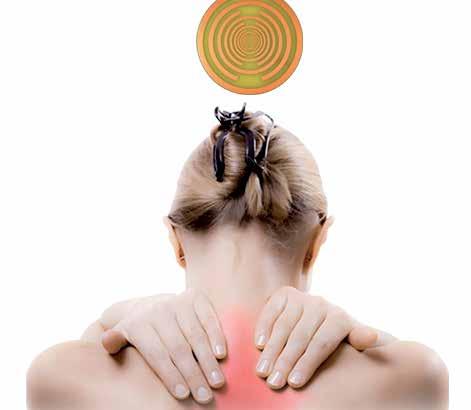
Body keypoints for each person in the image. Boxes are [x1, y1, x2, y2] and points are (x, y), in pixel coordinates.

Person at [27, 106, 448, 410]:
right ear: (317, 241)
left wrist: (118, 315)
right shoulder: (412, 379)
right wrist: (360, 333)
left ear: (176, 241)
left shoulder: (63, 378)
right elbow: (407, 361)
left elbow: (91, 348)